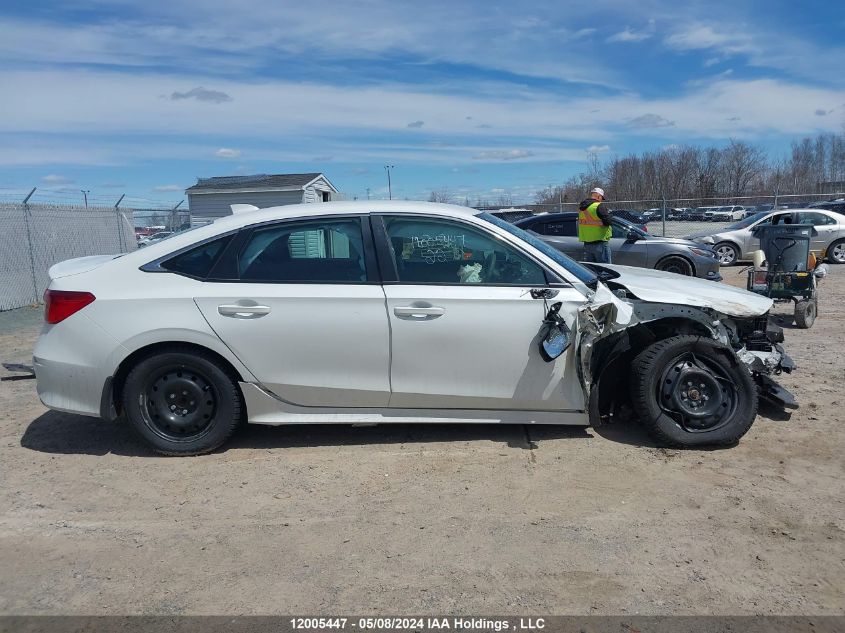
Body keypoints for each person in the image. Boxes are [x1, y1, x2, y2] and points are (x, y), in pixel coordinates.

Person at [577, 187, 613, 263]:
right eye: (601, 198)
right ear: (598, 196)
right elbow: (608, 222)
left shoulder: (582, 208)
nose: (601, 200)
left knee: (592, 270)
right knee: (605, 270)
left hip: (587, 244)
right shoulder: (598, 206)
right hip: (600, 243)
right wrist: (609, 215)